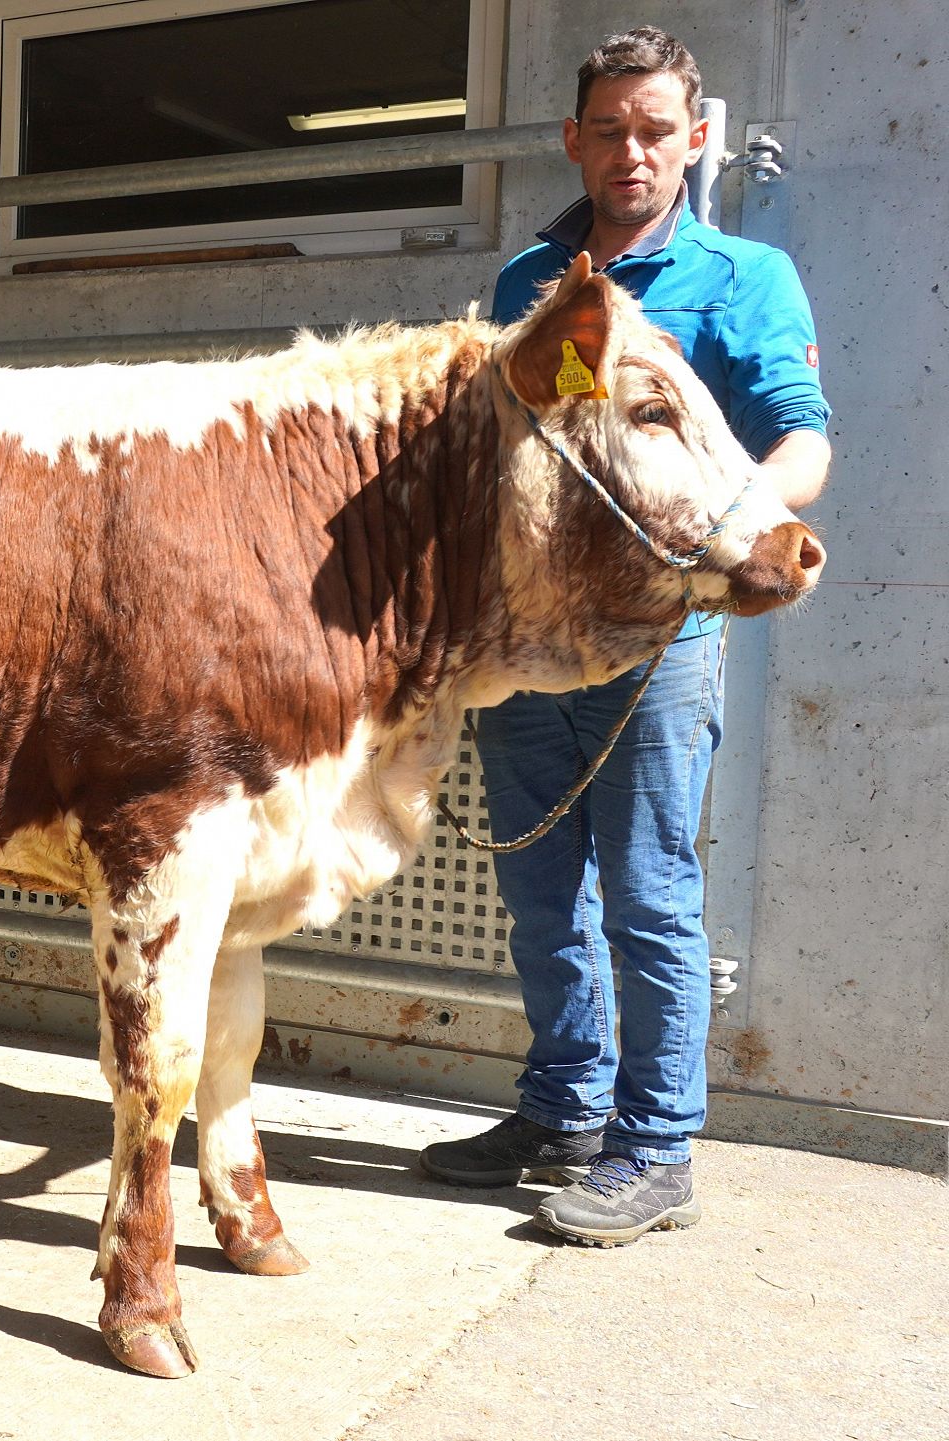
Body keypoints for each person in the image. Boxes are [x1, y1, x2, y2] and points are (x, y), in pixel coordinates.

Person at [418, 28, 832, 1245]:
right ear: (575, 141)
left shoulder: (746, 276)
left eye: (656, 128)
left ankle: (657, 1150)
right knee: (540, 889)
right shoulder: (528, 285)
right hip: (532, 643)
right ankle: (564, 1112)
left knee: (650, 895)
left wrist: (753, 507)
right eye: (610, 128)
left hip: (656, 646)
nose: (632, 150)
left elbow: (805, 436)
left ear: (695, 139)